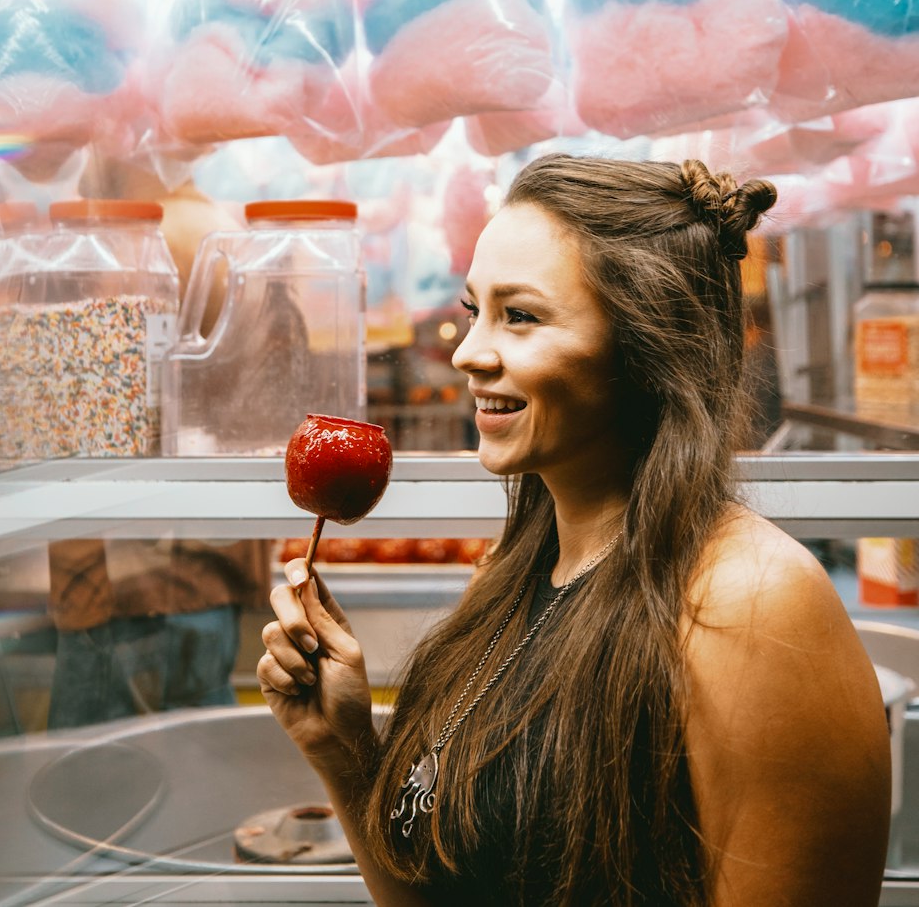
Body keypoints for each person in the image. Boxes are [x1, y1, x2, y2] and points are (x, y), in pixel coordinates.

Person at [259, 155, 891, 907]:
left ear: (647, 347)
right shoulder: (513, 577)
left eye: (519, 316)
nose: (468, 353)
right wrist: (344, 750)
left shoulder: (749, 601)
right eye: (474, 312)